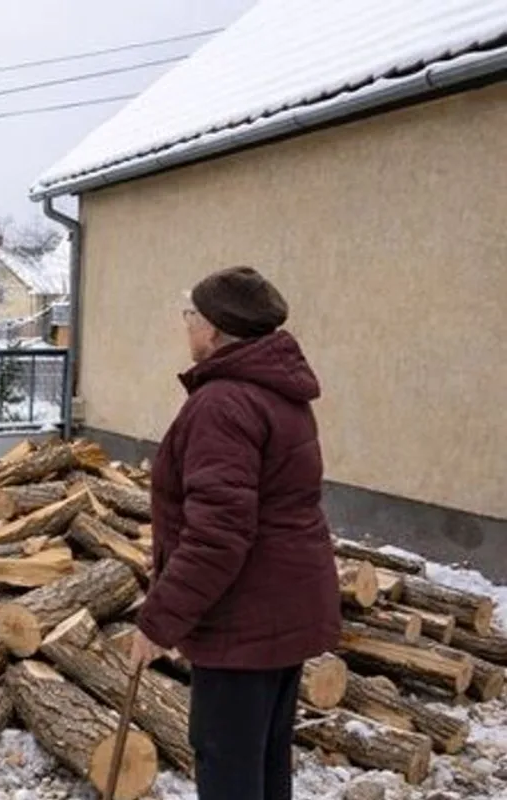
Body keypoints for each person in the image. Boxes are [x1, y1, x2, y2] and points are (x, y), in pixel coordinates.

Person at [129, 266, 340, 800]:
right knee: (263, 759)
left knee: (227, 763)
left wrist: (159, 621)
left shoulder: (224, 402)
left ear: (215, 329)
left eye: (190, 316)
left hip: (243, 620)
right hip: (283, 608)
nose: (186, 327)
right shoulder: (276, 391)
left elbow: (218, 533)